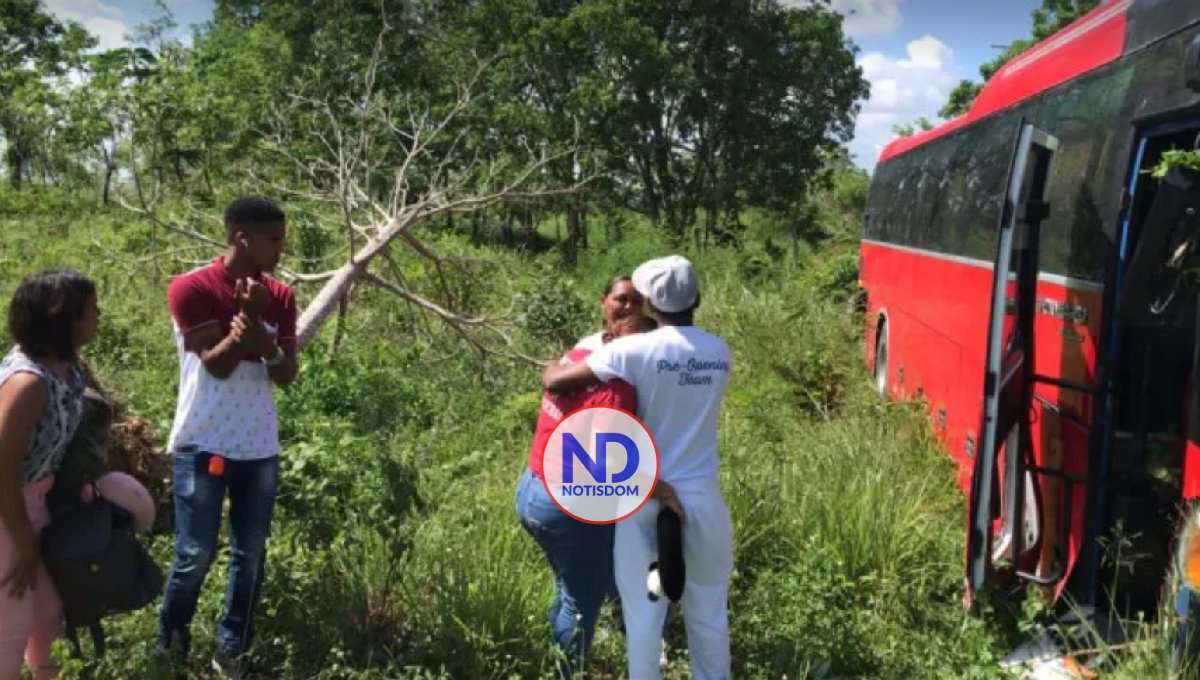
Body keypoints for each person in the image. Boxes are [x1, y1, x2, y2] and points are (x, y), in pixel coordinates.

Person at [543, 255, 733, 680]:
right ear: (697, 298)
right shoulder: (719, 352)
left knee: (644, 616)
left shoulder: (633, 351)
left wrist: (552, 363)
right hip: (703, 501)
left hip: (643, 497)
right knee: (709, 613)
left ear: (648, 301)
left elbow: (557, 381)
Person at [157, 197, 298, 676]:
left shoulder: (281, 295)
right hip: (203, 440)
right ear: (243, 238)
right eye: (273, 240)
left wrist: (269, 344)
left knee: (251, 555)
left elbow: (287, 374)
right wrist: (249, 330)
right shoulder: (191, 288)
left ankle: (232, 650)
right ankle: (169, 651)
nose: (280, 249)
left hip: (259, 445)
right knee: (194, 554)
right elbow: (214, 366)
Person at [518, 314, 657, 678]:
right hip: (568, 505)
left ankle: (558, 654)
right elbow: (605, 461)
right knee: (581, 604)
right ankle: (568, 672)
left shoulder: (577, 358)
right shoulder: (616, 390)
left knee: (569, 585)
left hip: (532, 490)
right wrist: (659, 488)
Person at [0, 269, 101, 680]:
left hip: (37, 501)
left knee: (48, 613)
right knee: (10, 623)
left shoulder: (67, 367)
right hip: (9, 511)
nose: (99, 315)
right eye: (92, 310)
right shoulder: (28, 383)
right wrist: (24, 543)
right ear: (65, 319)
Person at [575, 276, 645, 352]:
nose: (629, 307)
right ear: (603, 302)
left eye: (636, 301)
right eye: (622, 299)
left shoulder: (652, 345)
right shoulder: (587, 348)